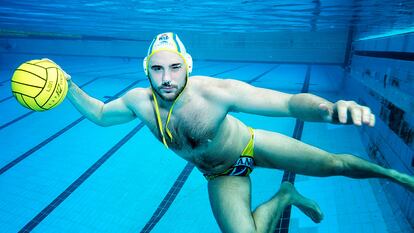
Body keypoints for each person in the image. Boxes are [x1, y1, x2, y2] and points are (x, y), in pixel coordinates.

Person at [47, 32, 414, 233]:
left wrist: (328, 110)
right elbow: (98, 113)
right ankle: (285, 195)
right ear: (146, 69)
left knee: (335, 164)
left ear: (187, 65)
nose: (167, 79)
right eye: (157, 70)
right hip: (221, 175)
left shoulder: (215, 92)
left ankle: (396, 175)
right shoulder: (137, 102)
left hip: (253, 145)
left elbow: (287, 104)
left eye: (175, 68)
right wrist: (66, 84)